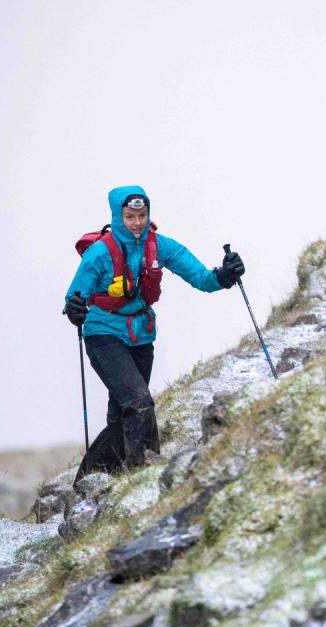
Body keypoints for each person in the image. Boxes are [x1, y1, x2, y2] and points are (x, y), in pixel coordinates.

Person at [64, 185, 244, 484]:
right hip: (103, 334)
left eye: (142, 215)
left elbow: (201, 277)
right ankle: (142, 476)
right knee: (139, 402)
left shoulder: (159, 246)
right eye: (130, 216)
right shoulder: (99, 253)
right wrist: (74, 309)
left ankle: (95, 479)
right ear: (118, 216)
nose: (137, 222)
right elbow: (74, 297)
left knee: (123, 413)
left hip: (141, 336)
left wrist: (224, 276)